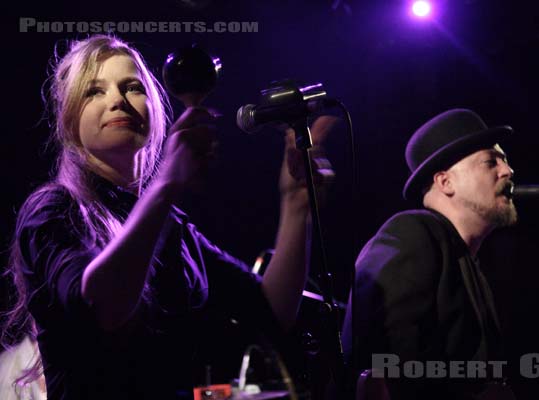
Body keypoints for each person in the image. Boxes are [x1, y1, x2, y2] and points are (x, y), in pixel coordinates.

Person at [1, 34, 336, 400]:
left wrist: (295, 205)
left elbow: (271, 312)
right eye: (94, 92)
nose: (118, 100)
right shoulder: (52, 210)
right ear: (68, 121)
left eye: (132, 87)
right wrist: (164, 187)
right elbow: (104, 307)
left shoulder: (172, 226)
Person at [342, 109, 518, 399]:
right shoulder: (412, 233)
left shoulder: (467, 261)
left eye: (505, 160)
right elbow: (382, 366)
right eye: (491, 161)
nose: (507, 170)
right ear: (445, 182)